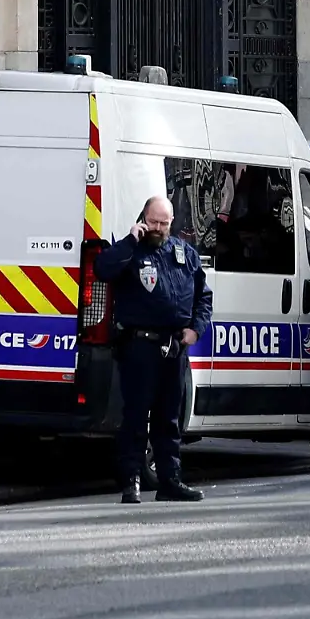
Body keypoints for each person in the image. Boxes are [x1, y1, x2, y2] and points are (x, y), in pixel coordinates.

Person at [94, 195, 213, 505]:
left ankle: (170, 480)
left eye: (165, 222)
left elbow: (203, 296)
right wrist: (131, 240)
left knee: (169, 418)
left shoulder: (184, 253)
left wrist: (195, 329)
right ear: (143, 218)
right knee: (135, 417)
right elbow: (103, 269)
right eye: (154, 222)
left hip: (174, 346)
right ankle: (130, 482)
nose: (159, 228)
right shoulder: (130, 251)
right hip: (139, 346)